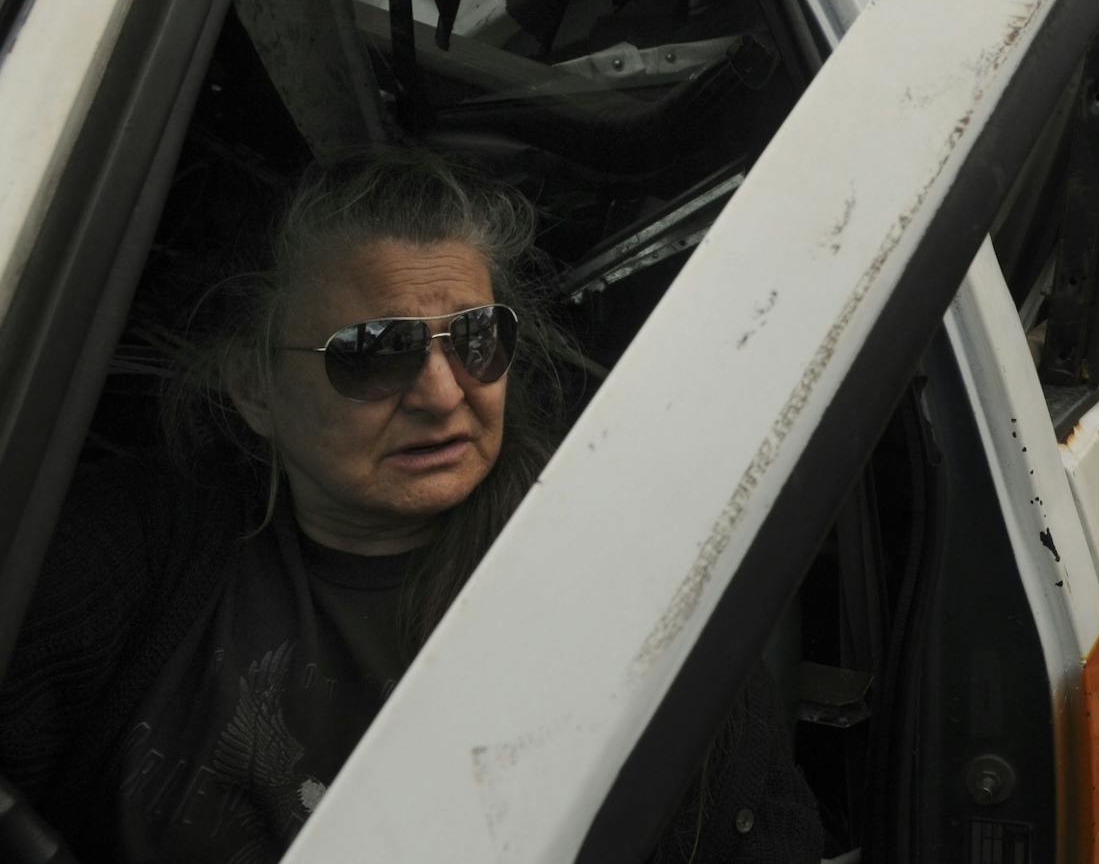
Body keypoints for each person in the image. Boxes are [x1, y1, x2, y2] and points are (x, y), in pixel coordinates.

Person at [0, 151, 820, 863]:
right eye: (375, 352)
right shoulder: (134, 541)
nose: (440, 393)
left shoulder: (616, 579)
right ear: (255, 387)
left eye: (475, 338)